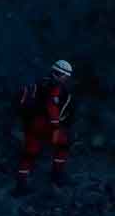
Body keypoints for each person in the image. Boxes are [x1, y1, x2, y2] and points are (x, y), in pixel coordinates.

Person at [14, 60, 74, 196]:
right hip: (45, 126)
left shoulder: (40, 82)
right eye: (66, 76)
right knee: (63, 145)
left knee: (29, 154)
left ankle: (21, 185)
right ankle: (57, 175)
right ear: (60, 74)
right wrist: (56, 127)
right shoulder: (55, 87)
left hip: (30, 125)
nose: (66, 79)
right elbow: (52, 107)